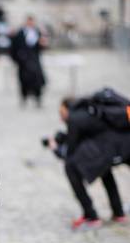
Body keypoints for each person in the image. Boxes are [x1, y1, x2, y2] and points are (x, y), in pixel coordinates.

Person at [45, 97, 130, 230]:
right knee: (105, 171)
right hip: (117, 146)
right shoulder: (88, 112)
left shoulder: (74, 118)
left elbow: (70, 152)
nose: (61, 117)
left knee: (70, 168)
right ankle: (118, 213)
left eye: (61, 112)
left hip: (107, 148)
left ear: (66, 108)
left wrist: (55, 148)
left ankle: (91, 216)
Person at [11, 15, 48, 107]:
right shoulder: (20, 33)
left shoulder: (38, 32)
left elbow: (42, 47)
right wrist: (16, 59)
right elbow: (14, 47)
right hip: (23, 61)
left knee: (37, 80)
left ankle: (38, 98)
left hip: (35, 59)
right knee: (24, 80)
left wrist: (43, 44)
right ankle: (24, 98)